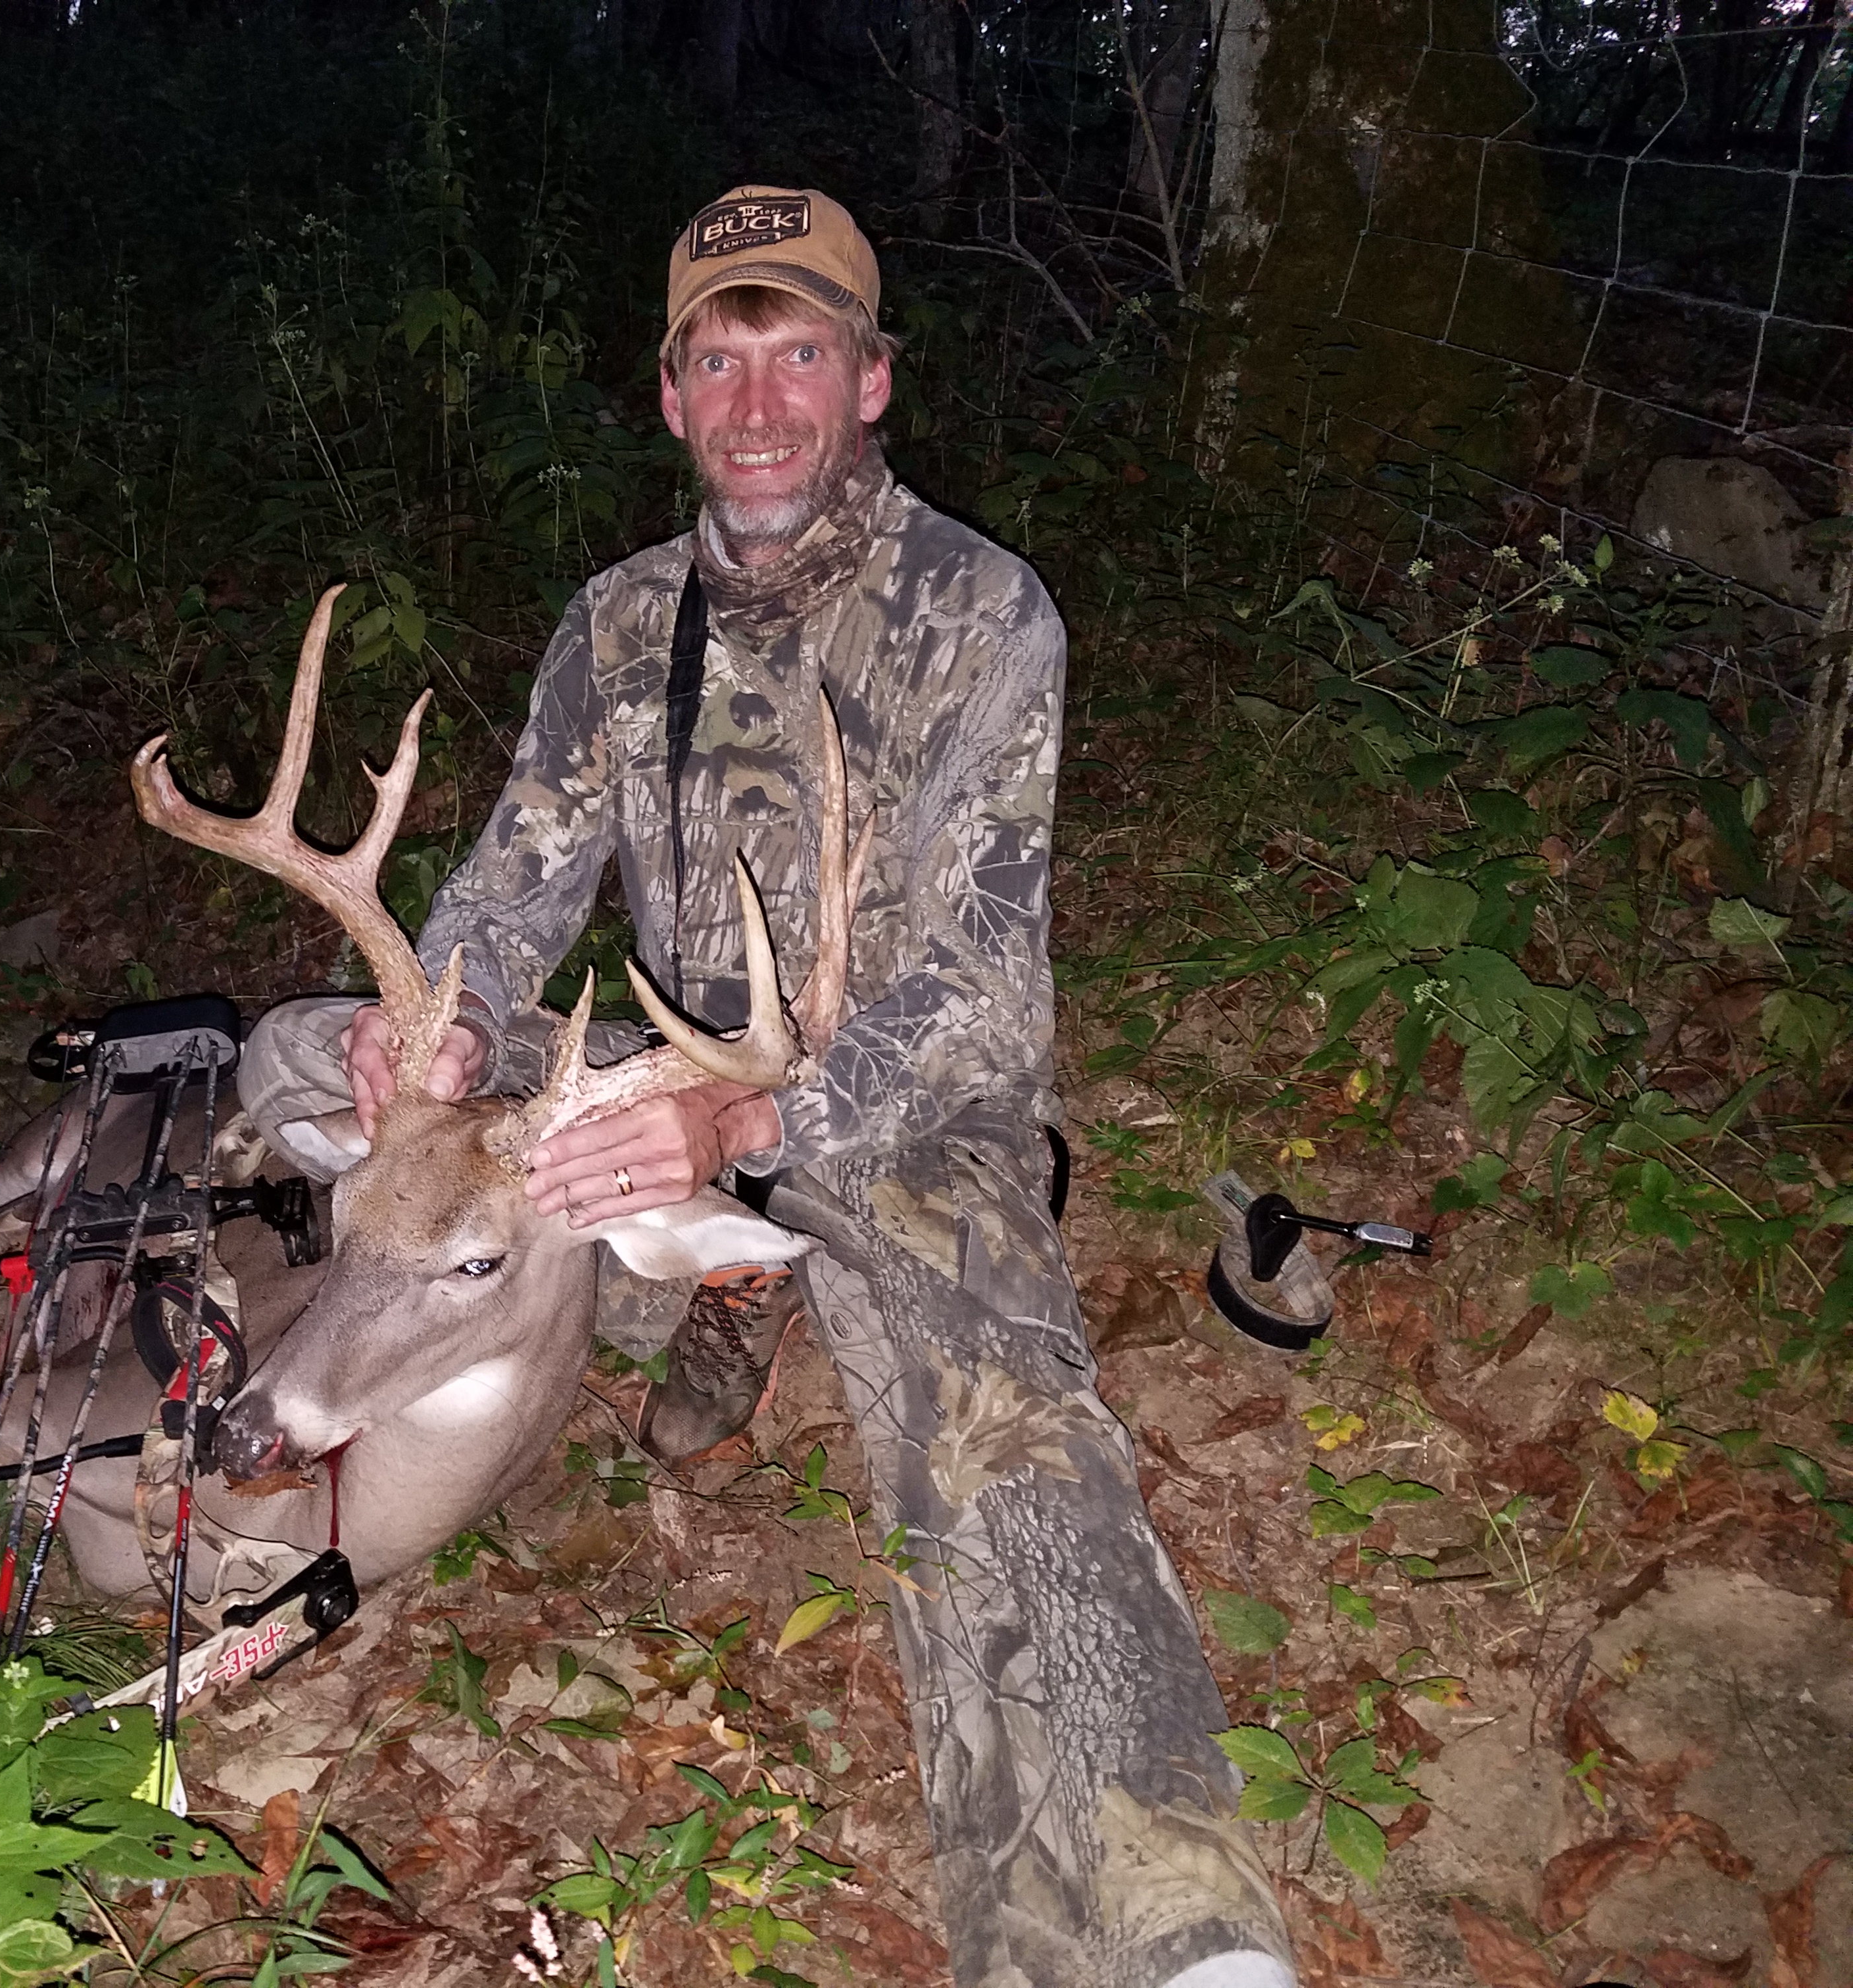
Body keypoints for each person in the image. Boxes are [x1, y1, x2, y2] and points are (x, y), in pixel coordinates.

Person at [239, 187, 1293, 1988]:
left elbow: (982, 986)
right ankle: (661, 1273)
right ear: (670, 396)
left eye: (799, 353)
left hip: (889, 1110)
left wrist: (751, 1123)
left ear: (870, 381)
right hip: (653, 1090)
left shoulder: (980, 612)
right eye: (718, 362)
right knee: (286, 1048)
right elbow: (517, 879)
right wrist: (449, 1021)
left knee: (1002, 1426)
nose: (758, 404)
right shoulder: (619, 622)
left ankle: (1180, 1922)